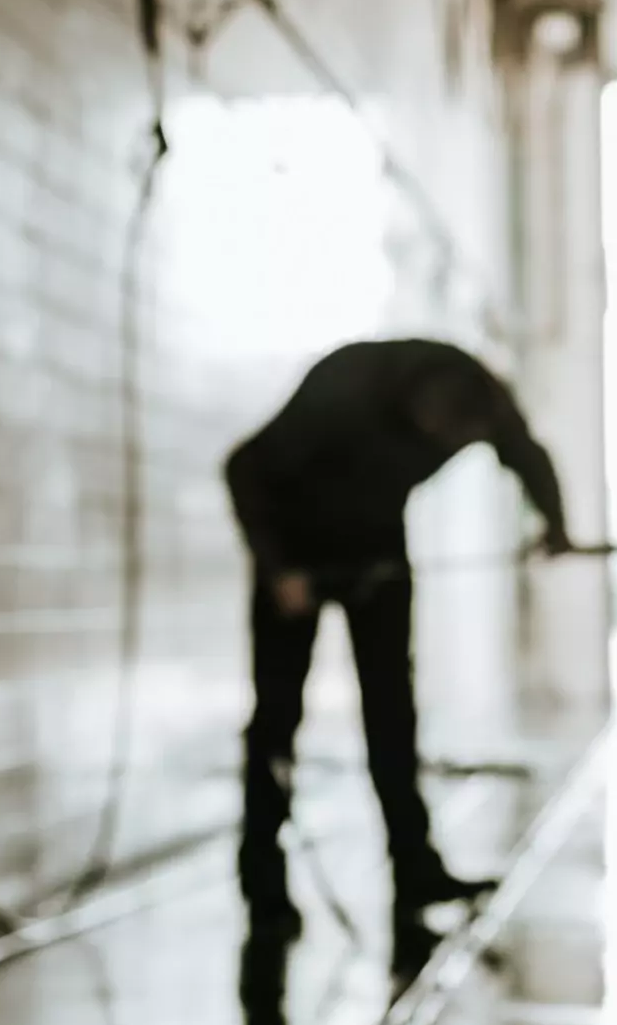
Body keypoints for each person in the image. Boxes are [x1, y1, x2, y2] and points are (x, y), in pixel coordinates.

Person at [225, 339, 571, 942]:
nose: (448, 449)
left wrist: (556, 525)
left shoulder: (481, 397)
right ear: (414, 404)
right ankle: (263, 885)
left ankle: (415, 870)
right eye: (441, 437)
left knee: (392, 716)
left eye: (460, 442)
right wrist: (278, 568)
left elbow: (527, 455)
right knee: (278, 720)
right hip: (297, 550)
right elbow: (244, 466)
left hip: (378, 552)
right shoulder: (343, 392)